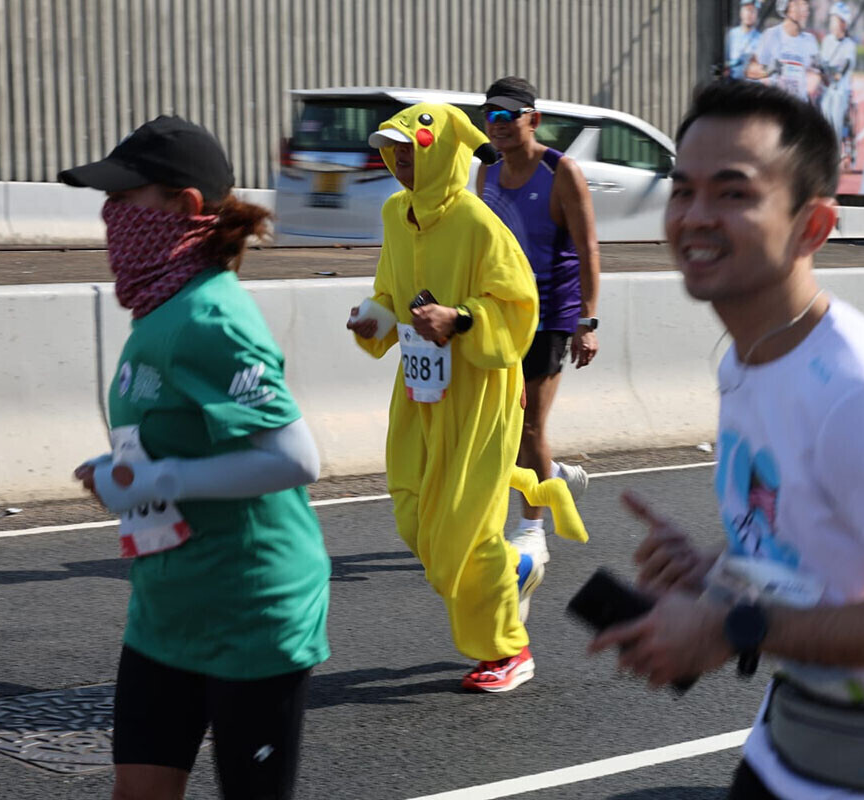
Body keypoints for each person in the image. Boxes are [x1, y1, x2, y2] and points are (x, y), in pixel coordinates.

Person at [589, 81, 864, 798]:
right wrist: (718, 571)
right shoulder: (744, 361)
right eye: (682, 190)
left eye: (732, 193)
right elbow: (820, 553)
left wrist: (732, 628)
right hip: (798, 739)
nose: (694, 217)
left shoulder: (859, 392)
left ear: (812, 226)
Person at [61, 115, 331, 800]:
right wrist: (121, 473)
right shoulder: (160, 310)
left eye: (127, 198)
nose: (109, 213)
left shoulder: (211, 317)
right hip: (165, 610)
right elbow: (177, 438)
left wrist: (159, 477)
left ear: (183, 207)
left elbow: (296, 457)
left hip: (251, 615)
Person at [347, 102, 587, 693]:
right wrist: (373, 318)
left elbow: (518, 305)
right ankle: (517, 566)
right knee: (415, 522)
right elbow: (389, 289)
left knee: (461, 535)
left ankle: (509, 650)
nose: (400, 161)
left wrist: (460, 320)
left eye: (412, 149)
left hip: (480, 397)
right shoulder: (394, 213)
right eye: (392, 150)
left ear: (440, 152)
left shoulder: (479, 223)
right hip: (418, 394)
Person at [476, 76, 596, 595]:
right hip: (497, 317)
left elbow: (588, 249)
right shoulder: (486, 172)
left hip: (550, 316)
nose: (498, 125)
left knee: (527, 428)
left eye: (509, 115)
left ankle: (531, 531)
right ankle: (553, 473)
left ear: (533, 119)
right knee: (499, 428)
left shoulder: (560, 171)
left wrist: (586, 322)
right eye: (491, 117)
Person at [747, 0, 821, 101]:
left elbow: (815, 76)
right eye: (799, 4)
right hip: (776, 105)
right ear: (785, 7)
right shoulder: (771, 35)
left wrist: (819, 74)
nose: (805, 10)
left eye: (806, 5)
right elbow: (750, 71)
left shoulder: (810, 40)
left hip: (799, 108)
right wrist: (768, 70)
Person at [818, 2, 857, 167]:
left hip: (842, 90)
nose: (832, 23)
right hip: (827, 89)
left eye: (835, 20)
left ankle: (841, 152)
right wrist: (826, 70)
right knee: (824, 118)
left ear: (843, 23)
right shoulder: (827, 40)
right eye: (831, 20)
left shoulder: (849, 44)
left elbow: (848, 63)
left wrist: (839, 73)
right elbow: (822, 62)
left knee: (838, 120)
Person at [726, 1, 763, 81]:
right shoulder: (731, 35)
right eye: (747, 10)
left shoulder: (761, 39)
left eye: (753, 11)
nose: (749, 14)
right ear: (741, 12)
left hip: (751, 87)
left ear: (757, 15)